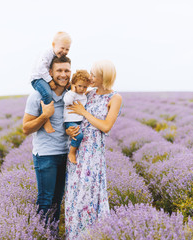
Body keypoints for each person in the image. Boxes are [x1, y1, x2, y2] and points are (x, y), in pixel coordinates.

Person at [64, 60, 122, 239]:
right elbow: (72, 112)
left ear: (104, 78)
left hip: (93, 153)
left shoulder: (115, 98)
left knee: (88, 196)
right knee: (74, 195)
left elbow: (106, 127)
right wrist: (69, 130)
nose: (90, 77)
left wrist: (85, 113)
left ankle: (91, 235)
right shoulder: (88, 94)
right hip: (78, 147)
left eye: (94, 75)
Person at [23, 56, 71, 226]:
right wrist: (45, 116)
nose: (63, 74)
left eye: (66, 70)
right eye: (59, 70)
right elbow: (26, 128)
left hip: (65, 154)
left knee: (57, 201)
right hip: (45, 156)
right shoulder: (37, 96)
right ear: (50, 73)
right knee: (45, 201)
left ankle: (52, 234)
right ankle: (42, 234)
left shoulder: (70, 96)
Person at [30, 31, 72, 133]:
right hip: (38, 78)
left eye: (67, 49)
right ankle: (46, 120)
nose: (64, 51)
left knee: (69, 88)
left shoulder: (56, 55)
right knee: (47, 94)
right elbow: (40, 68)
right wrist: (50, 81)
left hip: (45, 77)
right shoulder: (48, 54)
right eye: (62, 48)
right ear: (53, 45)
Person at [63, 70, 91, 164]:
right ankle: (71, 152)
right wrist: (73, 91)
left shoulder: (83, 95)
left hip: (79, 121)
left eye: (85, 87)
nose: (82, 89)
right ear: (74, 84)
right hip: (70, 121)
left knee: (79, 137)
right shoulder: (70, 94)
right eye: (79, 86)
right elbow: (67, 102)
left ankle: (75, 150)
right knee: (79, 135)